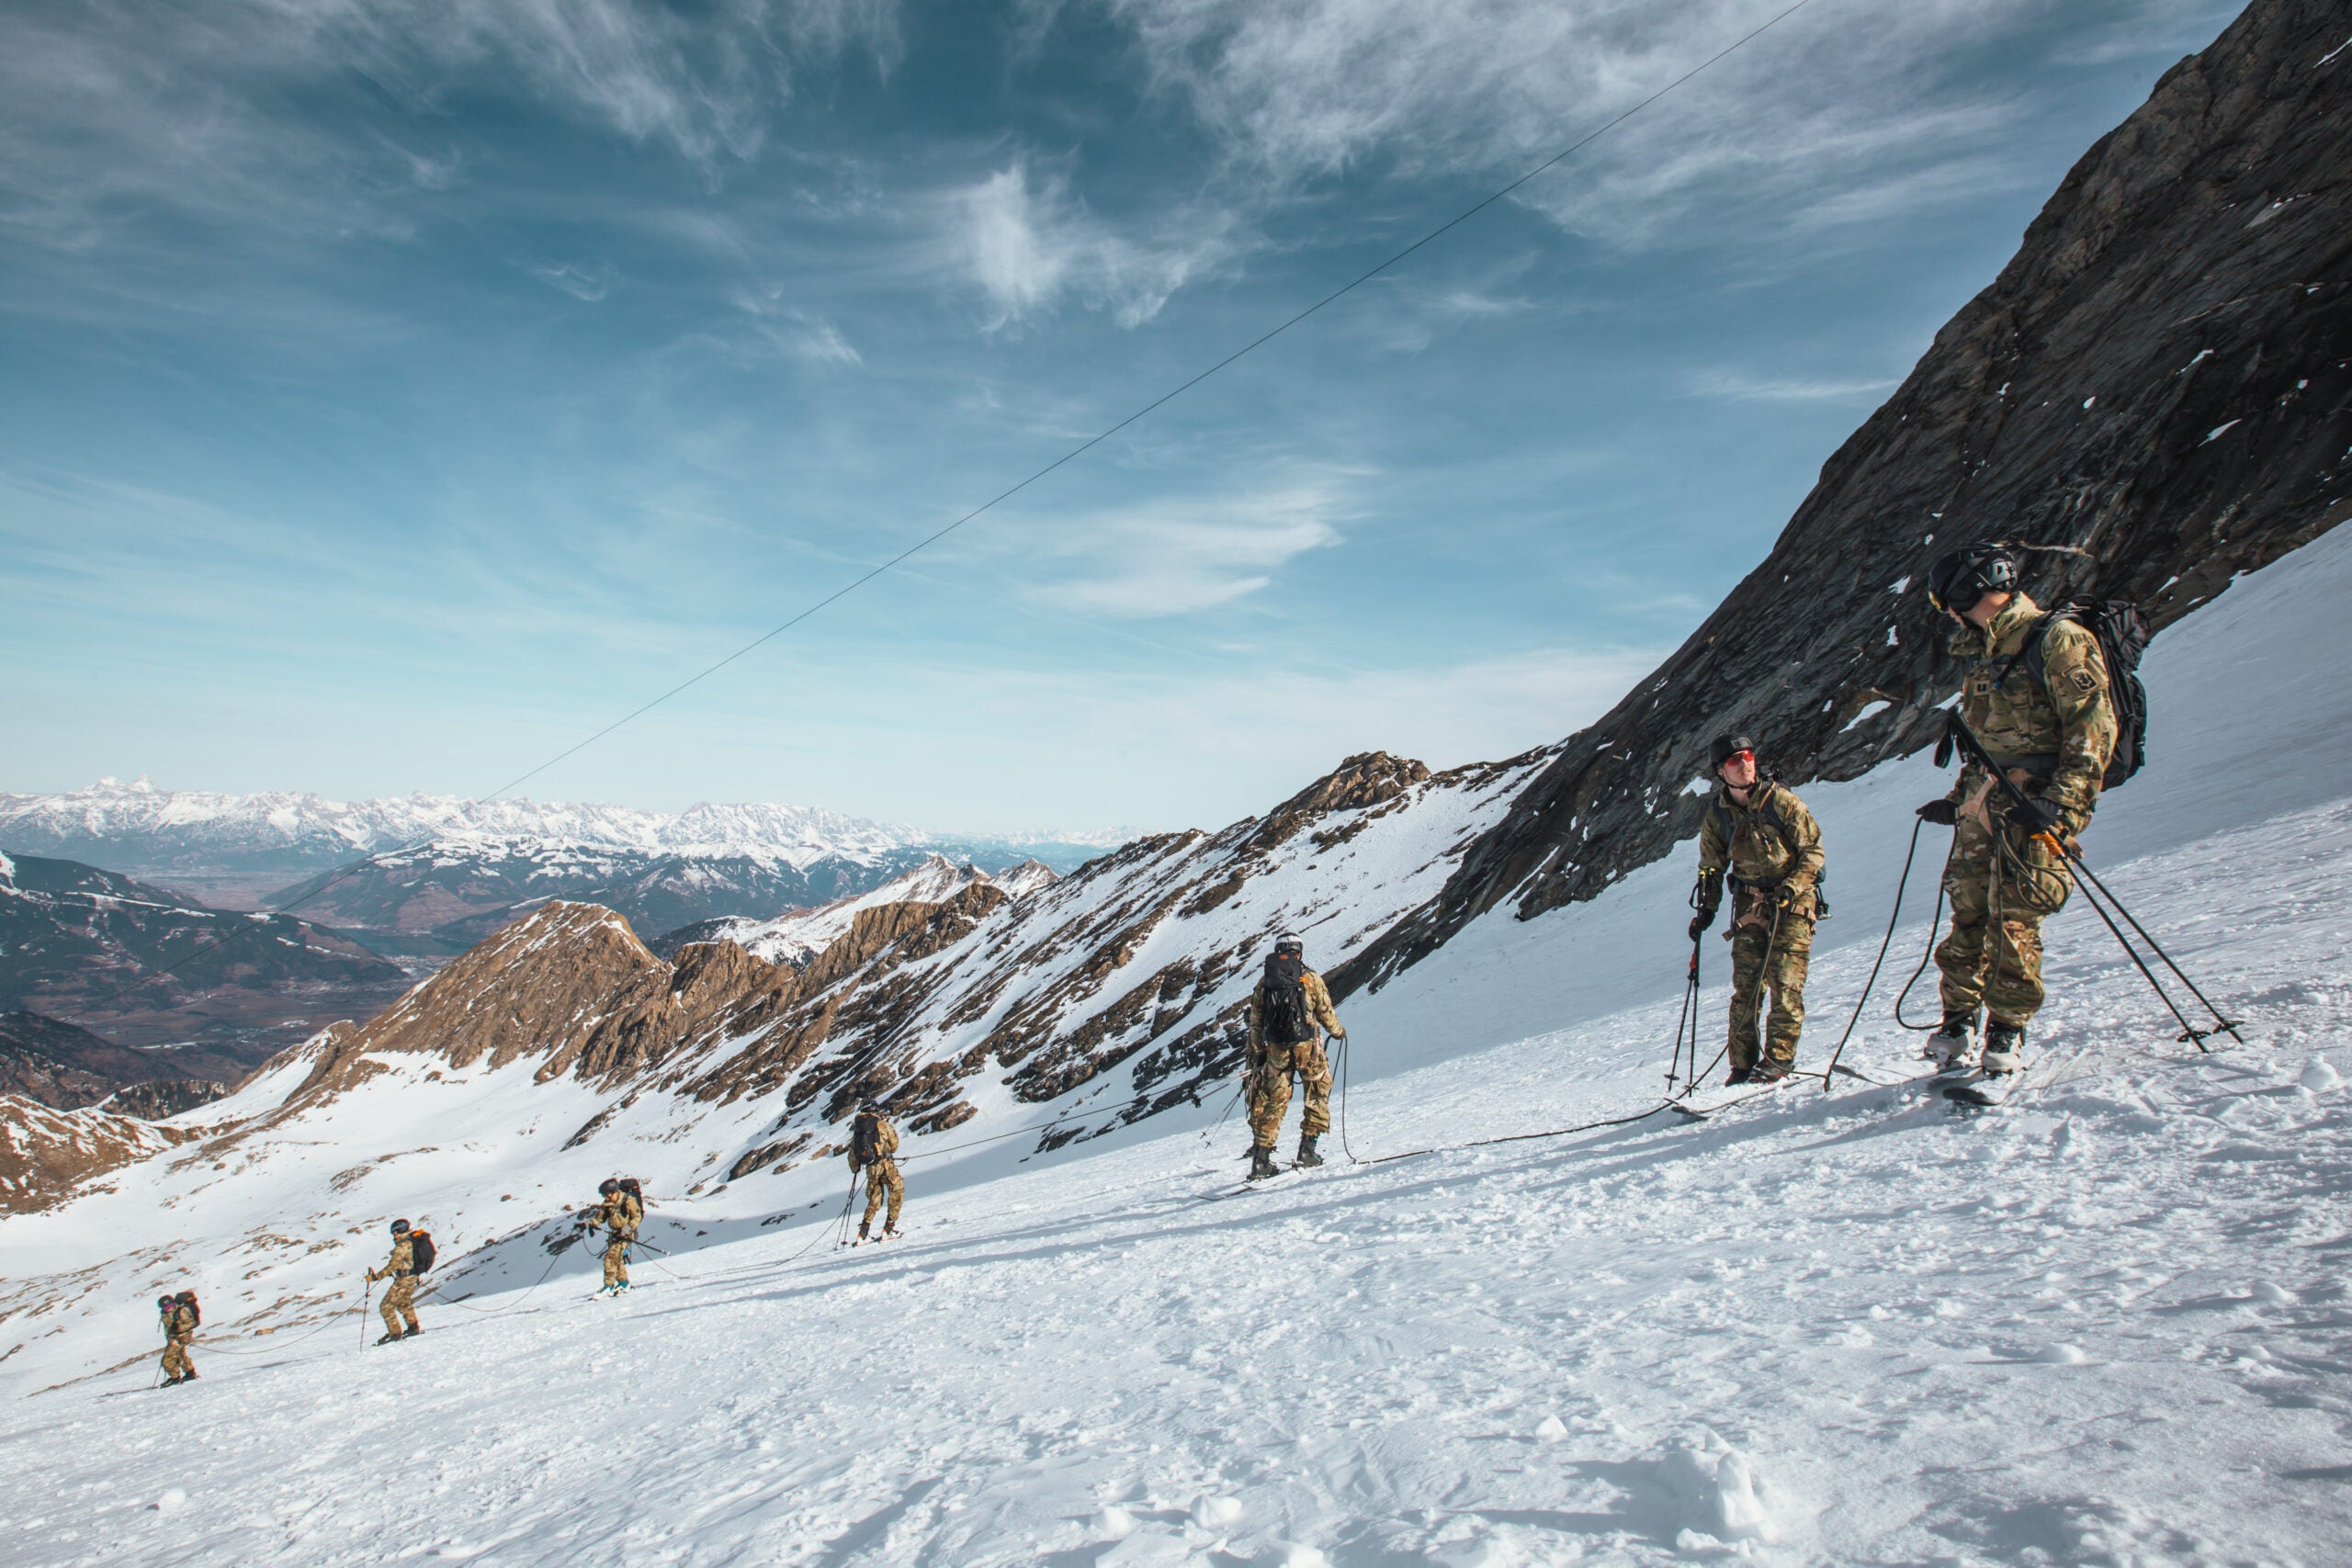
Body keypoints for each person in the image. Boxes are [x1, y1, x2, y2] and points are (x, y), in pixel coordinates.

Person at [1917, 545, 2116, 1077]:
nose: (1948, 613)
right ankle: (1957, 1022)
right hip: (1983, 809)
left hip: (2032, 808)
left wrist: (2061, 804)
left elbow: (2094, 728)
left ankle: (2006, 1034)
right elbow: (1984, 744)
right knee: (1969, 913)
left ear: (1966, 590)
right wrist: (1958, 801)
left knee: (2015, 920)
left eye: (1946, 600)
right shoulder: (1987, 651)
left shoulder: (2056, 639)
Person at [1689, 734, 1825, 1085]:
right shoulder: (1718, 816)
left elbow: (1813, 853)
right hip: (1750, 905)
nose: (1745, 763)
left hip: (1793, 903)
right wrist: (1706, 909)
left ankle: (1778, 1062)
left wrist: (1792, 888)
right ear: (1722, 771)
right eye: (1735, 760)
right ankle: (1742, 1067)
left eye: (1747, 755)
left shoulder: (1782, 802)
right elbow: (1711, 867)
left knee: (1785, 983)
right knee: (1746, 988)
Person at [1244, 933, 1347, 1179]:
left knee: (1274, 1101)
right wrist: (1339, 1032)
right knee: (1317, 1094)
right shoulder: (1310, 978)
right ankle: (1308, 1150)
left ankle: (1261, 1161)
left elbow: (1256, 1023)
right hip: (1308, 1048)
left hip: (1277, 1051)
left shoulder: (1265, 983)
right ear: (1299, 952)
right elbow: (1325, 1011)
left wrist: (1259, 1054)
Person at [849, 1100, 903, 1243]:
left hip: (871, 1169)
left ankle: (863, 1233)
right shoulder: (882, 1125)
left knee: (875, 1198)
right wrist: (885, 1151)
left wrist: (855, 1169)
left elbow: (853, 1153)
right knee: (897, 1191)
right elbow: (894, 1145)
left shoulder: (858, 1129)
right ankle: (889, 1228)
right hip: (886, 1166)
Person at [366, 1218, 424, 1344]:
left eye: (395, 1232)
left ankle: (395, 1333)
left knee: (386, 1306)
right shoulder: (410, 1242)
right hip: (411, 1278)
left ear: (400, 1230)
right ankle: (413, 1327)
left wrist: (376, 1277)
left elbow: (392, 1265)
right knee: (403, 1303)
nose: (394, 1235)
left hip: (404, 1280)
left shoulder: (402, 1246)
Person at [589, 1178, 642, 1296]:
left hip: (626, 1234)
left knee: (610, 1259)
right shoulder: (608, 1204)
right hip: (614, 1235)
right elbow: (600, 1218)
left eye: (606, 1194)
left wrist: (626, 1229)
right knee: (617, 1260)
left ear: (613, 1191)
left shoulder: (628, 1201)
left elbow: (637, 1217)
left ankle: (608, 1287)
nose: (604, 1197)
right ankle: (624, 1284)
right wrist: (590, 1223)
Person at [158, 1292, 198, 1386]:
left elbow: (191, 1323)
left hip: (181, 1337)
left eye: (171, 1305)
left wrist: (179, 1328)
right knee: (181, 1355)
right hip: (174, 1338)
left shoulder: (181, 1311)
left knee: (167, 1360)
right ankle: (190, 1373)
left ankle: (175, 1378)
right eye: (166, 1307)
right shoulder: (165, 1314)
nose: (169, 1308)